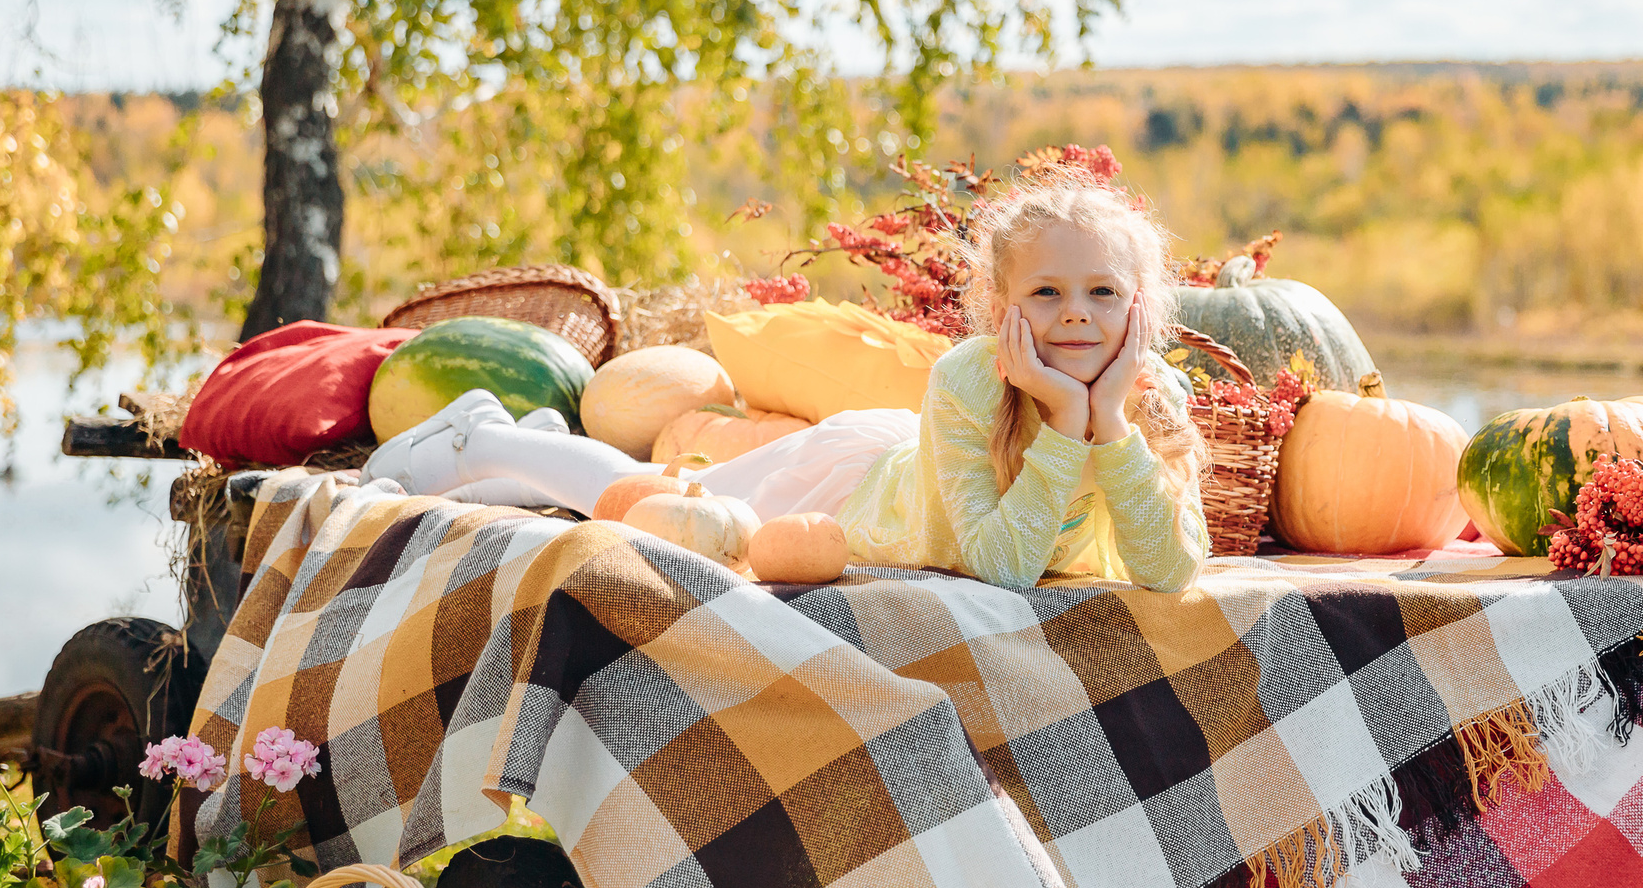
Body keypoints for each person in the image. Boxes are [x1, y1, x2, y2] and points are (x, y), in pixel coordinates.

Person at [363, 169, 1210, 591]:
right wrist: (1066, 423)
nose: (1077, 315)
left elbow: (1171, 571)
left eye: (1104, 292)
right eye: (1047, 292)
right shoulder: (969, 381)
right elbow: (1003, 569)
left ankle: (526, 460)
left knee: (636, 501)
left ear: (1142, 303)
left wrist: (1111, 426)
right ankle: (488, 437)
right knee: (659, 508)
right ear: (1000, 305)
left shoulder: (1150, 399)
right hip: (849, 495)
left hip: (890, 467)